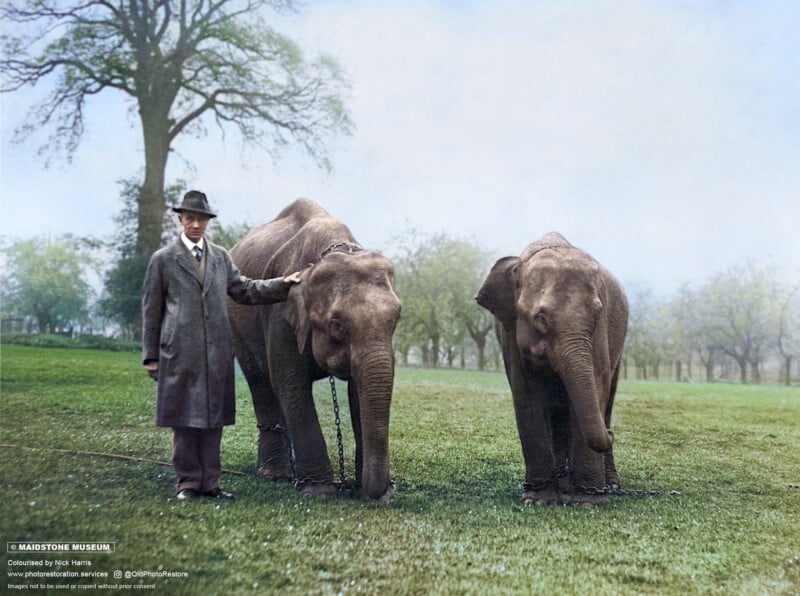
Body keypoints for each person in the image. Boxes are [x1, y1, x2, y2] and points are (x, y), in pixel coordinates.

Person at [141, 190, 300, 501]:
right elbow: (151, 309)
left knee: (213, 420)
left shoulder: (220, 257)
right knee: (184, 421)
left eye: (200, 219)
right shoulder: (163, 260)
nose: (195, 224)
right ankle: (188, 483)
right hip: (178, 353)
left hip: (216, 353)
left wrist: (283, 284)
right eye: (190, 219)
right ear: (181, 220)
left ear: (207, 222)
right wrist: (151, 356)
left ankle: (211, 484)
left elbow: (245, 290)